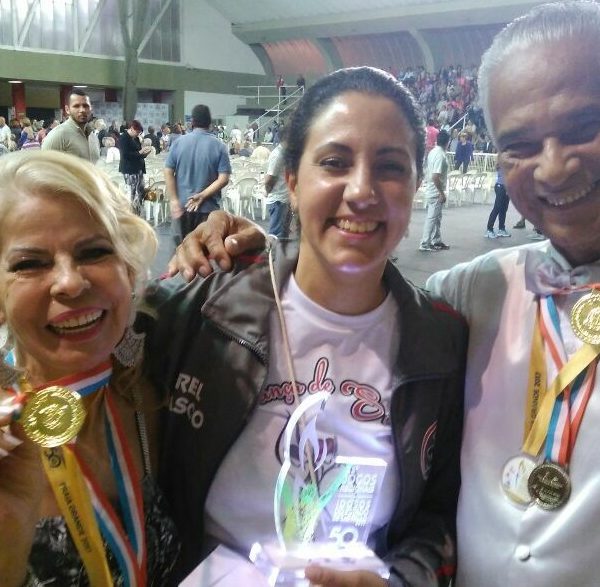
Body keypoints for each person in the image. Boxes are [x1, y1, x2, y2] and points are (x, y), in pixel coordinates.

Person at [154, 66, 466, 586]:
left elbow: (438, 516)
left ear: (416, 187)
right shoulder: (208, 305)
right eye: (334, 162)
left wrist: (397, 582)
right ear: (293, 183)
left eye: (390, 167)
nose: (361, 191)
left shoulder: (442, 340)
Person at [425, 2, 600, 585]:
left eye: (583, 128)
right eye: (519, 145)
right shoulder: (470, 289)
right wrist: (247, 261)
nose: (553, 168)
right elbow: (339, 313)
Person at [0, 150, 179, 587]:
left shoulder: (148, 394)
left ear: (129, 270)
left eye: (95, 252)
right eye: (29, 264)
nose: (70, 282)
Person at [164, 104, 231, 245]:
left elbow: (168, 171)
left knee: (179, 251)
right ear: (210, 123)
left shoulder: (179, 143)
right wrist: (202, 195)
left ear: (192, 122)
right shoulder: (220, 146)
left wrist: (174, 200)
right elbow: (224, 178)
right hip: (208, 210)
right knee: (205, 252)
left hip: (181, 208)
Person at [42, 89, 97, 162]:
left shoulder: (93, 135)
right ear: (67, 109)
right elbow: (44, 166)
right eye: (76, 106)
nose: (82, 110)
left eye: (86, 106)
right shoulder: (57, 135)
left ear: (91, 108)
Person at [419, 129, 451, 252]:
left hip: (432, 189)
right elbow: (435, 176)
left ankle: (436, 240)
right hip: (435, 191)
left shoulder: (433, 152)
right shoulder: (440, 155)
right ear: (448, 142)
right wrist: (441, 193)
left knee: (437, 218)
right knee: (432, 218)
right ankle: (424, 243)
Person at [119, 119, 152, 215]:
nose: (138, 134)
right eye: (137, 132)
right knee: (132, 193)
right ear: (132, 129)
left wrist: (145, 153)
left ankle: (138, 212)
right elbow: (125, 155)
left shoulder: (136, 138)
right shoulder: (124, 138)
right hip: (130, 169)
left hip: (139, 168)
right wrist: (140, 152)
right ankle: (131, 213)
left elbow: (138, 153)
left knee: (140, 191)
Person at [264, 126, 290, 238]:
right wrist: (267, 190)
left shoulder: (285, 153)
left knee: (283, 234)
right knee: (276, 235)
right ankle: (274, 250)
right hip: (278, 200)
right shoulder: (277, 155)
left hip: (284, 198)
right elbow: (270, 178)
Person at [484, 165, 511, 238]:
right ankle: (489, 230)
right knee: (497, 208)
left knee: (503, 209)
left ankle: (501, 228)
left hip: (506, 187)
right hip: (501, 186)